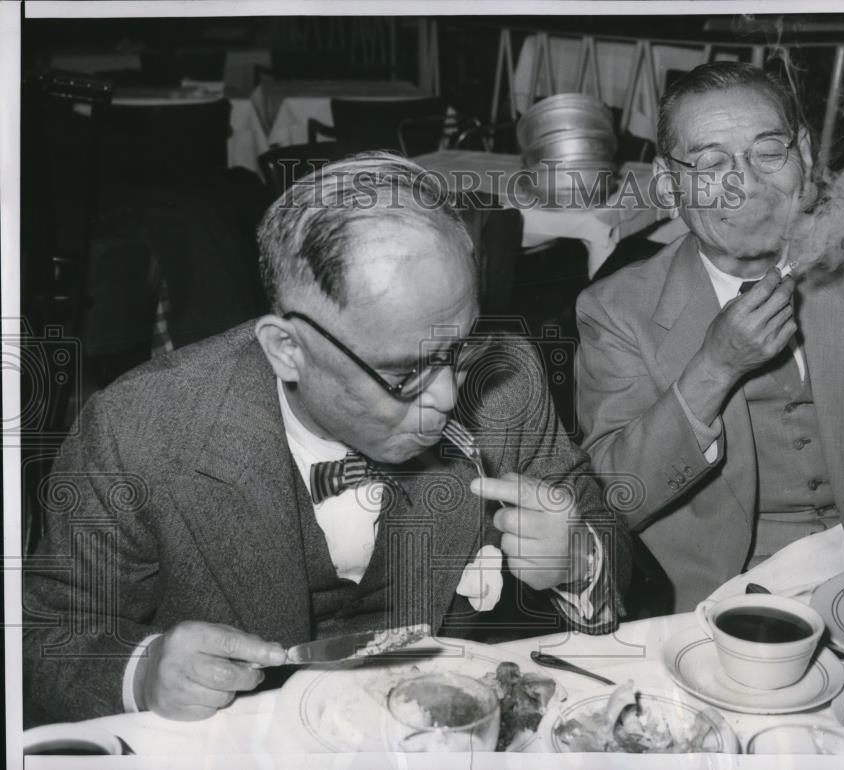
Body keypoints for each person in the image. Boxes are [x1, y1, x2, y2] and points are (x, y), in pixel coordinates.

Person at [23, 153, 631, 724]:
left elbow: (600, 523)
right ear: (288, 350)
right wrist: (141, 670)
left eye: (458, 347)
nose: (448, 395)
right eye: (403, 373)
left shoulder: (506, 379)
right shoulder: (138, 429)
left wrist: (580, 559)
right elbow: (44, 633)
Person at [575, 62, 844, 613]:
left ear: (803, 155)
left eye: (769, 151)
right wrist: (715, 366)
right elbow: (617, 500)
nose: (747, 185)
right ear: (668, 184)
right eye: (711, 162)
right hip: (725, 601)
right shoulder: (616, 310)